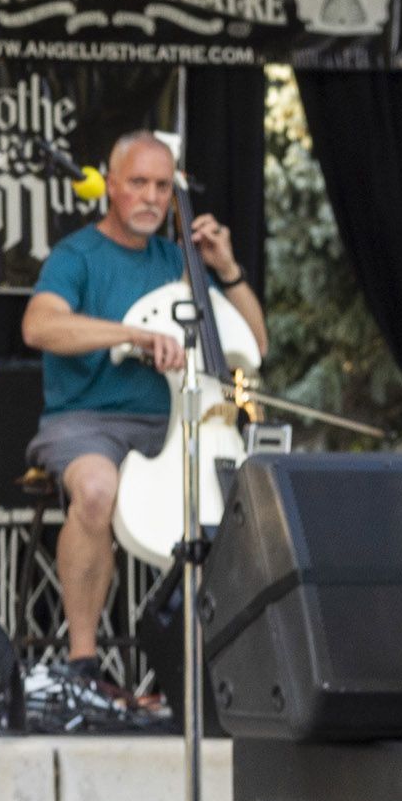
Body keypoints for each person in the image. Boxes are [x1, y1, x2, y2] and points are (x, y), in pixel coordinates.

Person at [20, 130, 266, 686]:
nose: (152, 197)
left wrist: (225, 270)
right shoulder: (77, 254)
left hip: (174, 424)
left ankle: (207, 668)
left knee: (230, 510)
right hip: (86, 422)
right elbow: (39, 325)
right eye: (138, 183)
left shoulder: (181, 261)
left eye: (162, 185)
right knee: (96, 492)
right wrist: (132, 332)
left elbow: (254, 345)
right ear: (110, 186)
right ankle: (84, 663)